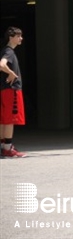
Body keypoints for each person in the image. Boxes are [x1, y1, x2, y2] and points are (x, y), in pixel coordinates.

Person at [0, 27, 27, 158]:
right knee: (10, 119)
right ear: (11, 37)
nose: (21, 38)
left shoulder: (6, 51)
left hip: (5, 89)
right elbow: (1, 64)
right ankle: (8, 148)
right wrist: (11, 73)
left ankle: (3, 146)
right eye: (18, 36)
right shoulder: (9, 52)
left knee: (4, 119)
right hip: (11, 90)